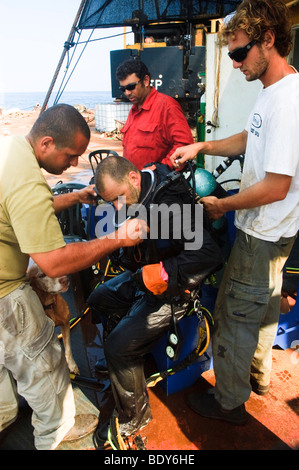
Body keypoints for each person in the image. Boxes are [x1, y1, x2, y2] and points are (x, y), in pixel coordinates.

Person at [170, 0, 299, 424]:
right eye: (230, 55)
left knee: (233, 316)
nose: (235, 62)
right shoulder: (274, 92)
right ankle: (259, 379)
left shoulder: (289, 102)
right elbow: (249, 138)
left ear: (269, 40)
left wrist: (221, 206)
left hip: (261, 233)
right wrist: (202, 145)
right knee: (263, 312)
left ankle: (228, 402)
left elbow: (277, 186)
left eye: (240, 53)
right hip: (273, 232)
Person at [0, 104, 147, 450]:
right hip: (6, 297)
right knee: (52, 391)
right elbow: (53, 262)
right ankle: (56, 435)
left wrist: (73, 197)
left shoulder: (11, 150)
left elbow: (25, 207)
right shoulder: (25, 179)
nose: (74, 165)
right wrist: (118, 238)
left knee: (4, 398)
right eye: (71, 156)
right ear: (47, 143)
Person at [88, 155, 223, 439]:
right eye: (111, 202)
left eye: (119, 198)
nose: (117, 207)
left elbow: (209, 254)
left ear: (134, 178)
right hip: (147, 275)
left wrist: (163, 273)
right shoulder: (135, 194)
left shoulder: (170, 202)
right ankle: (125, 362)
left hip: (177, 290)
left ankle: (134, 416)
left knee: (117, 345)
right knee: (99, 298)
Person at [116, 58, 194, 170]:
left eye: (131, 87)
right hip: (134, 182)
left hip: (156, 184)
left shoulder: (167, 107)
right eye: (123, 89)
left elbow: (184, 146)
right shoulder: (134, 110)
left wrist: (158, 171)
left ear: (146, 81)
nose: (127, 93)